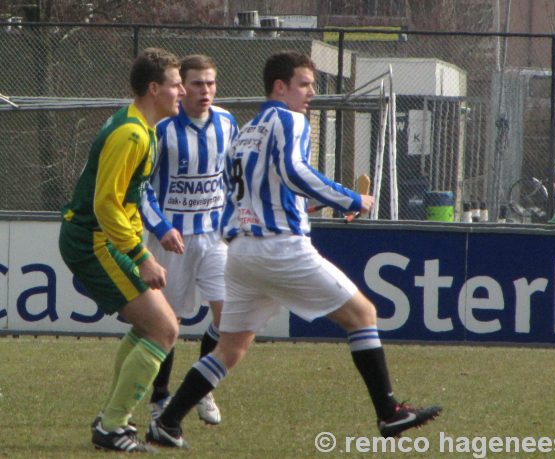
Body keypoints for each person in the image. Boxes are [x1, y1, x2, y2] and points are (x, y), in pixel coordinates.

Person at [145, 50, 441, 448]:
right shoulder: (290, 119)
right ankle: (389, 413)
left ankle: (168, 420)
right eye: (304, 85)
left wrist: (311, 204)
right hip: (280, 249)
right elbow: (293, 171)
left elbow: (260, 191)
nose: (311, 95)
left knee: (230, 348)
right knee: (363, 314)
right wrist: (350, 199)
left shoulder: (246, 130)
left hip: (243, 254)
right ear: (279, 87)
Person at [58, 47, 185, 453]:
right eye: (176, 83)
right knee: (163, 329)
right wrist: (140, 255)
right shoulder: (130, 133)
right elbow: (106, 204)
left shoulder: (142, 128)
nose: (181, 90)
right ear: (154, 88)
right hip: (92, 240)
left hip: (102, 239)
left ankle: (112, 419)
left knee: (155, 327)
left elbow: (128, 200)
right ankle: (112, 426)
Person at [140, 54, 238, 425]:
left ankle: (201, 388)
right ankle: (160, 398)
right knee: (168, 323)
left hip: (213, 237)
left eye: (211, 83)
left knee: (228, 315)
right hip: (172, 241)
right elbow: (142, 188)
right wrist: (162, 227)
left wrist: (235, 219)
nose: (205, 91)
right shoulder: (162, 128)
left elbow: (233, 177)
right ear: (182, 86)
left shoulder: (227, 123)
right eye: (197, 83)